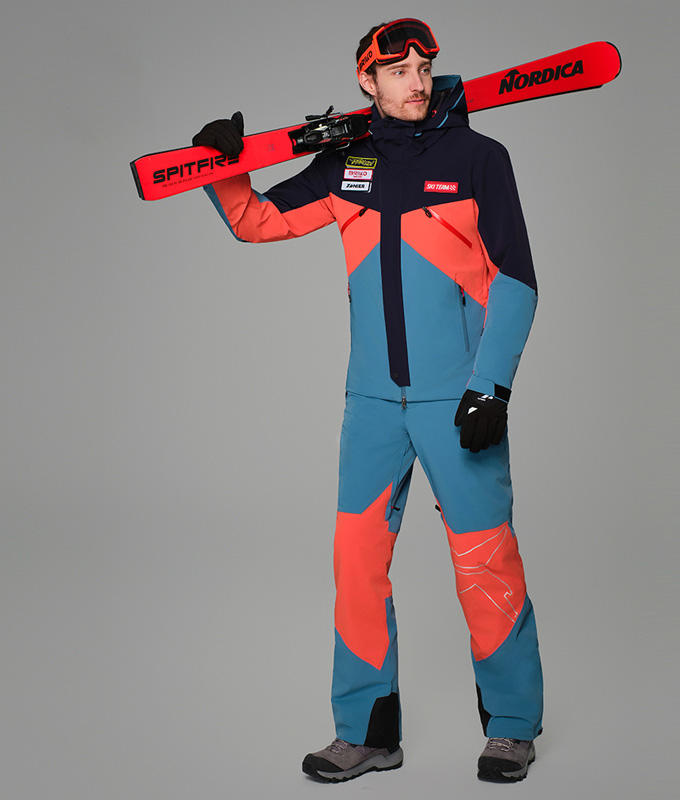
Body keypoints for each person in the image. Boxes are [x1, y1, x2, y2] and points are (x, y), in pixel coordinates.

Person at [192, 17, 544, 783]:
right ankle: (367, 733)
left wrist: (491, 387)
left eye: (424, 67)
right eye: (398, 71)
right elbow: (256, 221)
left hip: (459, 402)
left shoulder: (479, 158)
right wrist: (222, 166)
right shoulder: (345, 164)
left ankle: (513, 729)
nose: (416, 81)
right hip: (373, 404)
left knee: (486, 561)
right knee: (356, 568)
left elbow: (517, 280)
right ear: (367, 81)